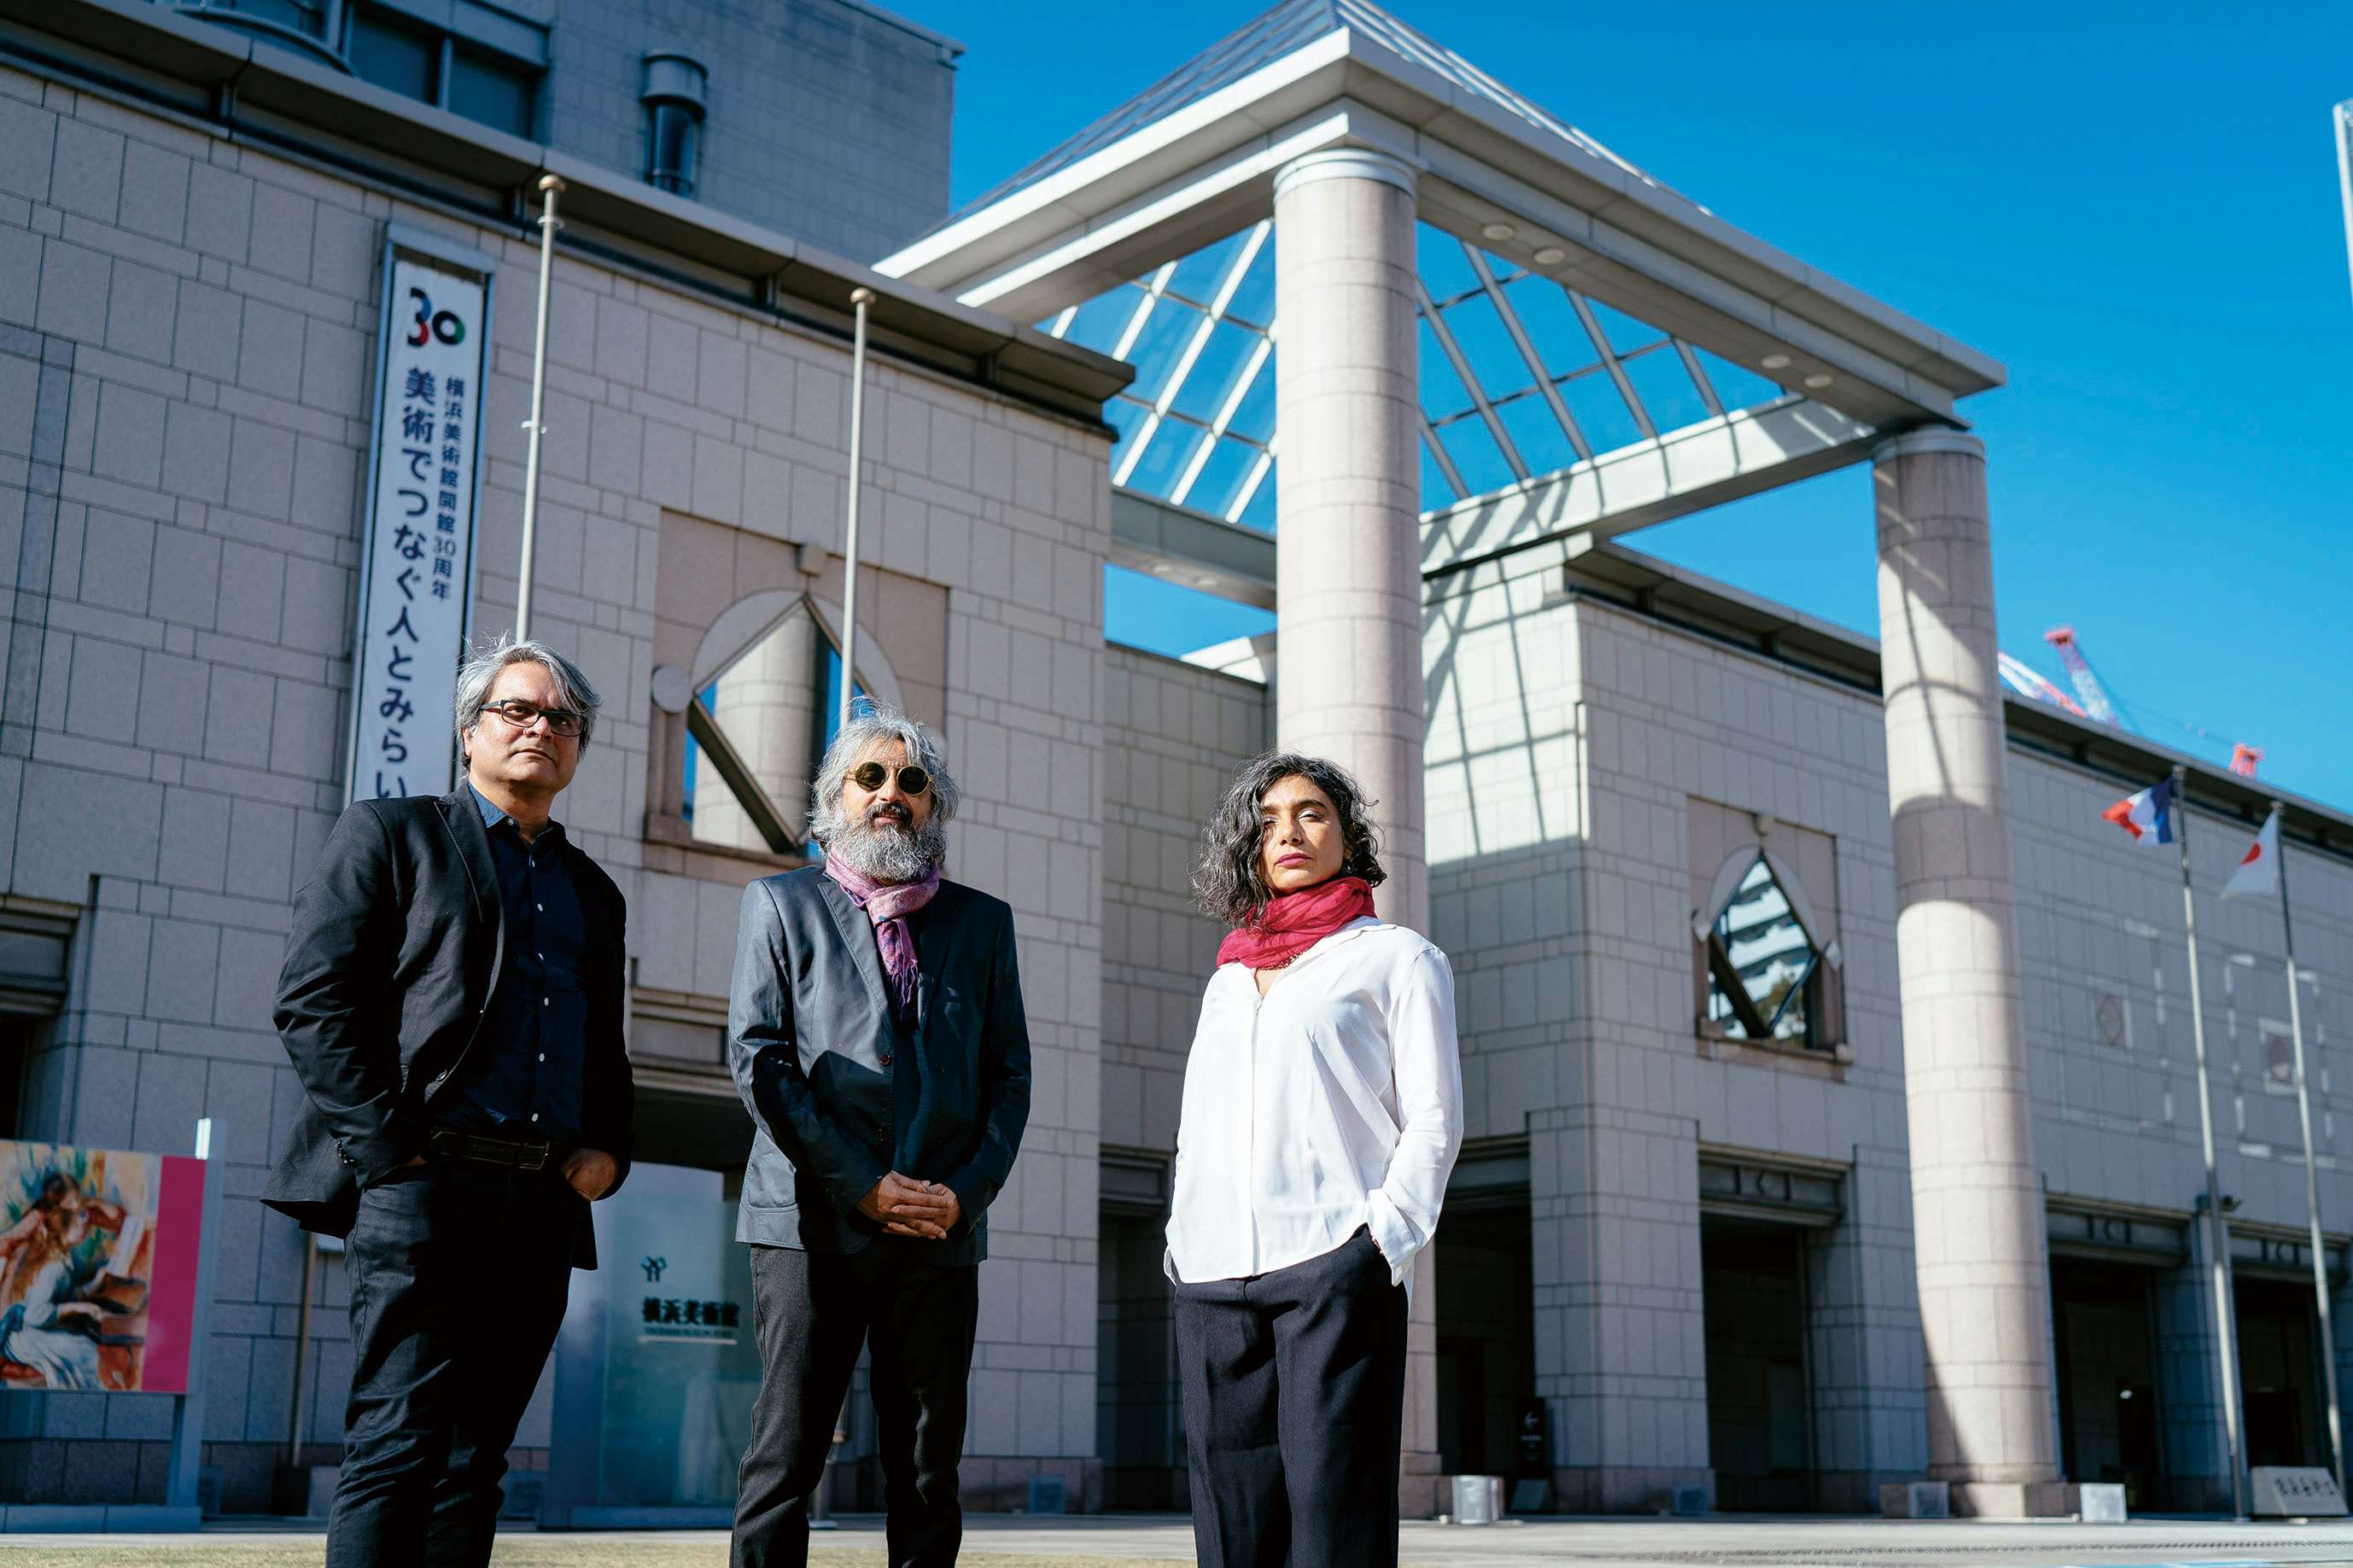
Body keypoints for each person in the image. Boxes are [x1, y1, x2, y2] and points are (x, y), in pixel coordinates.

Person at [264, 636, 634, 1568]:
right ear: (469, 733)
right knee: (398, 1443)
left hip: (539, 1201)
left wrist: (608, 1147)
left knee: (476, 1461)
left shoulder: (593, 890)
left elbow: (603, 1042)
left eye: (562, 718)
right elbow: (314, 1002)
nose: (541, 727)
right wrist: (389, 1150)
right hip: (421, 1184)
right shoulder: (393, 835)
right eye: (518, 709)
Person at [727, 704, 1031, 1568]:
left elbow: (1008, 1078)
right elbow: (759, 1058)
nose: (891, 793)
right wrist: (860, 1182)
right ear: (836, 798)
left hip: (939, 1229)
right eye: (870, 776)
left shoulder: (982, 922)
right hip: (809, 1222)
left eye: (912, 779)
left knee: (927, 1467)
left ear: (934, 805)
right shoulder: (780, 903)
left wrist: (963, 1195)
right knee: (786, 1454)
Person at [1166, 751, 1463, 1568]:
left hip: (1333, 1266)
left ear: (1347, 835)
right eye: (1267, 821)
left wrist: (1379, 1242)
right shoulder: (1229, 976)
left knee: (1335, 1530)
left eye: (1311, 813)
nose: (1288, 832)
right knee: (1232, 1536)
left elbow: (1435, 1118)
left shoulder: (1398, 958)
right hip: (1210, 1275)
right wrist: (1180, 1237)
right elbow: (1199, 1122)